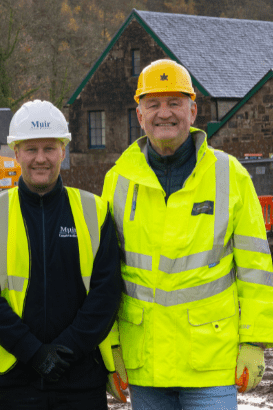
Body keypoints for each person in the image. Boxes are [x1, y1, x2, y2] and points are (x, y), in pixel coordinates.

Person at [102, 59, 273, 409]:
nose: (164, 113)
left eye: (175, 103)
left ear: (193, 111)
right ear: (139, 116)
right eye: (153, 104)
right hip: (145, 362)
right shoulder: (118, 181)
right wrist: (110, 347)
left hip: (209, 365)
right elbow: (104, 275)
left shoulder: (231, 177)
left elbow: (256, 268)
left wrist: (254, 342)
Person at [0, 100, 124, 410]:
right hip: (13, 379)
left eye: (49, 149)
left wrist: (66, 350)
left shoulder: (94, 210)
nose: (41, 159)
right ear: (15, 153)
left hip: (80, 378)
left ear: (63, 151)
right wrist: (34, 353)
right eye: (31, 149)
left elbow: (106, 294)